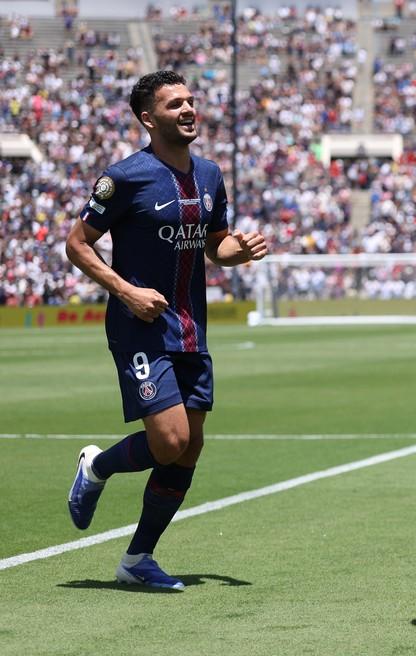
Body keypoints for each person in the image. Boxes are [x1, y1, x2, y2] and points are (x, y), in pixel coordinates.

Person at [65, 70, 268, 590]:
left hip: (190, 329)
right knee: (170, 438)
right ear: (147, 118)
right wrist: (126, 291)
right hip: (140, 329)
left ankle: (137, 560)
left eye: (191, 101)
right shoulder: (125, 177)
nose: (188, 109)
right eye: (175, 103)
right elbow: (77, 243)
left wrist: (236, 252)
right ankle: (98, 467)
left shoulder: (210, 175)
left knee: (190, 444)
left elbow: (215, 246)